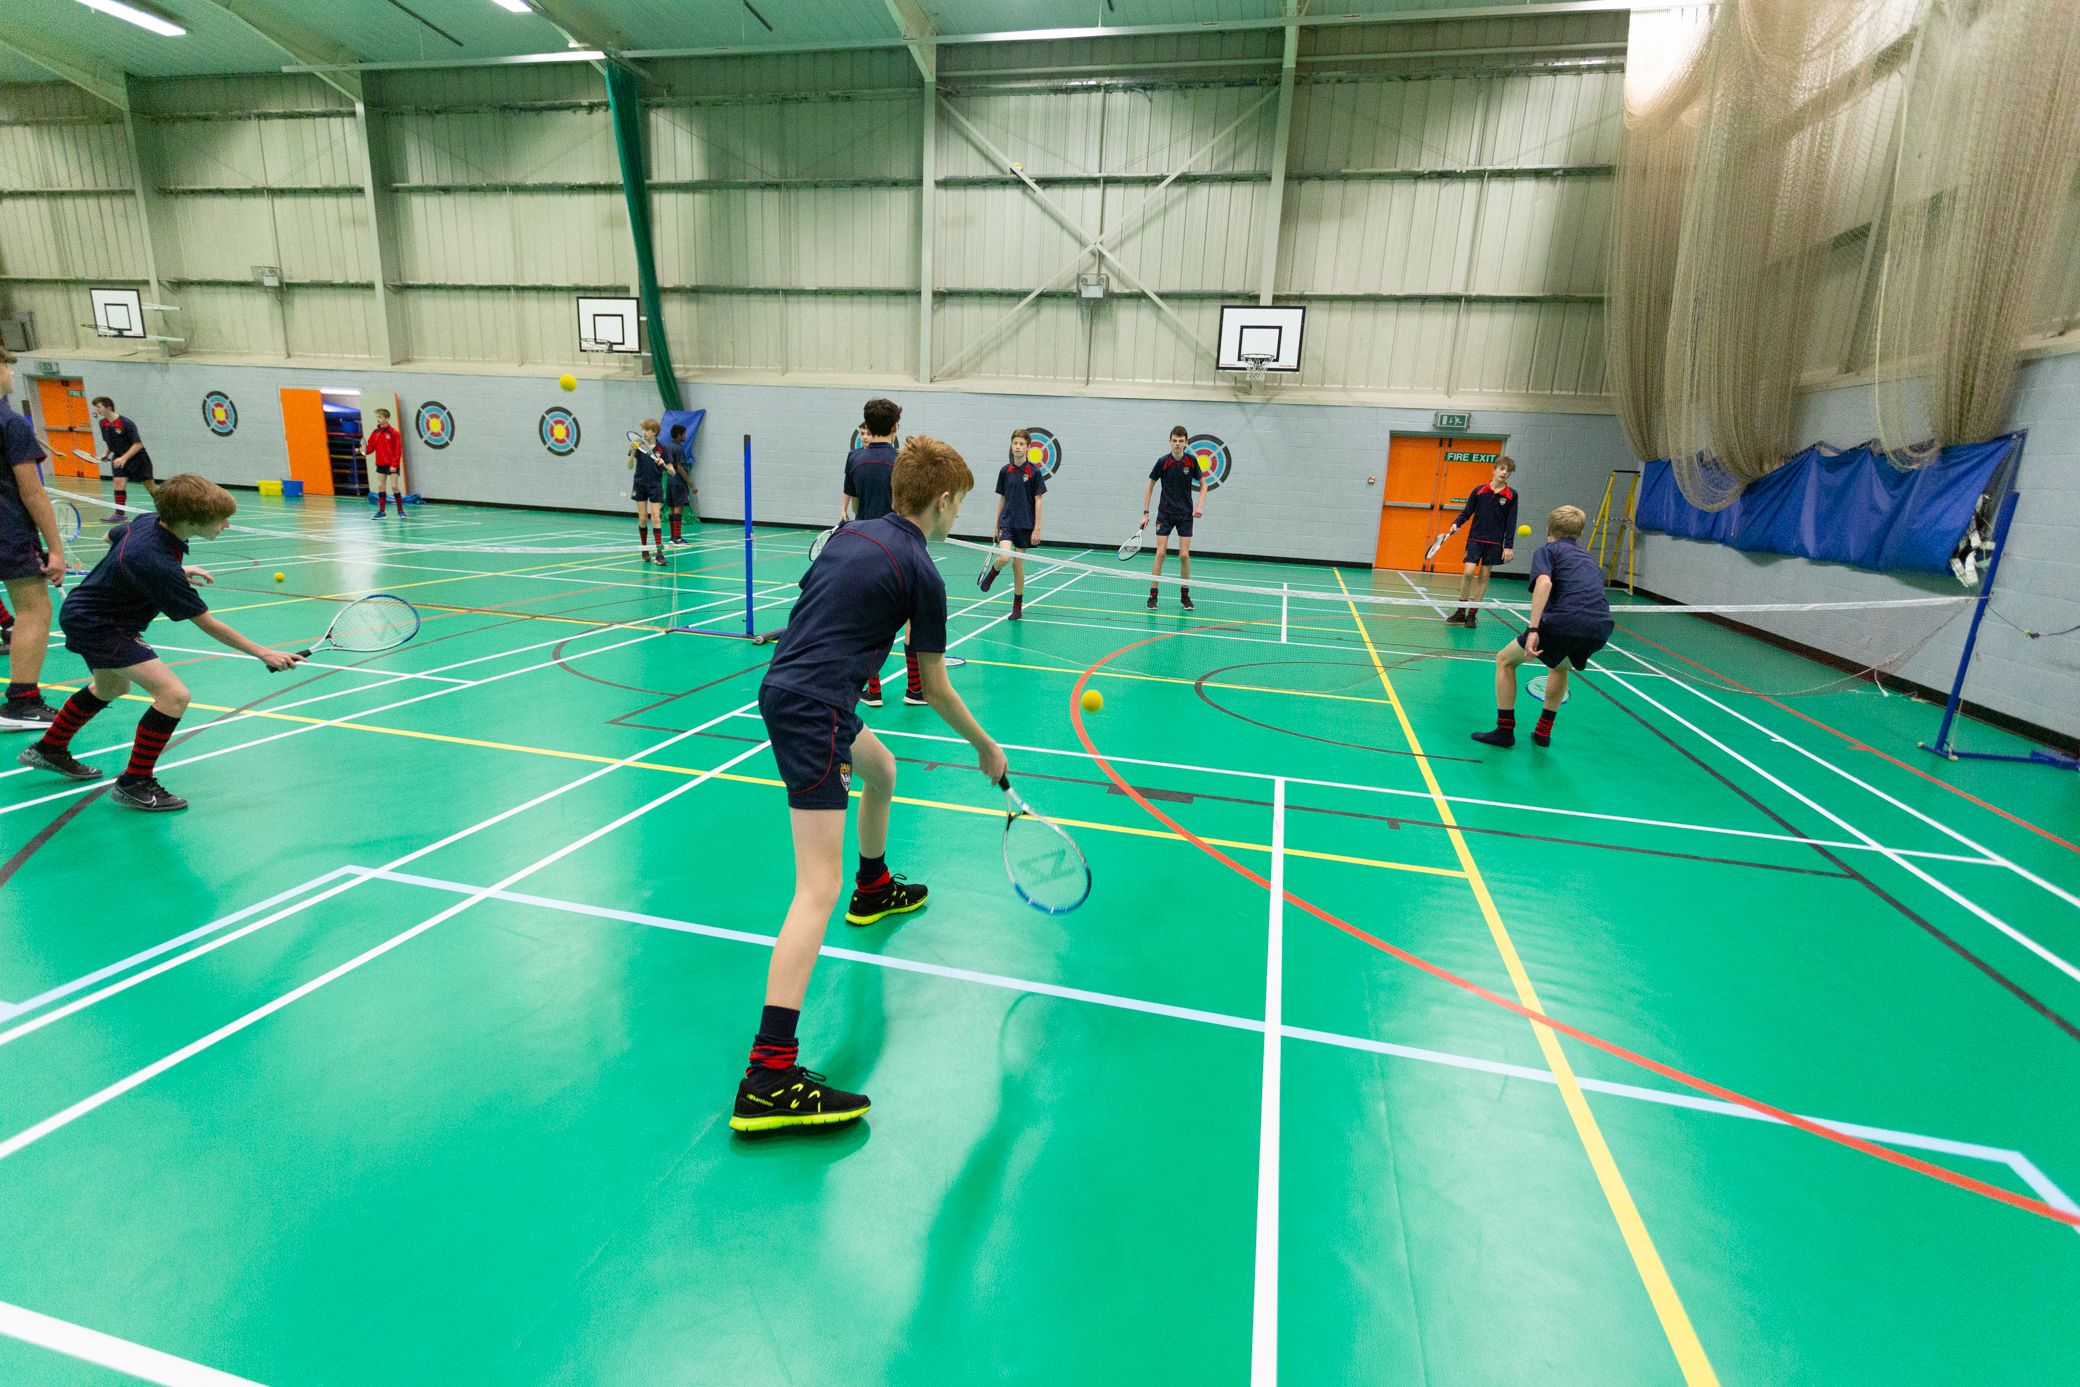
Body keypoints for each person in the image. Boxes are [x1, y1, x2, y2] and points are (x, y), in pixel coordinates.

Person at [733, 435, 1007, 1132]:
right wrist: (985, 747)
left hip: (794, 688)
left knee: (882, 766)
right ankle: (768, 1074)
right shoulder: (922, 569)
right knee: (813, 889)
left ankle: (876, 884)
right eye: (960, 504)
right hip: (816, 706)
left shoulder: (848, 534)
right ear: (942, 500)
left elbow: (815, 612)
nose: (958, 516)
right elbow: (936, 688)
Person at [17, 473, 302, 809]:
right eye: (220, 519)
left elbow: (114, 536)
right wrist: (263, 653)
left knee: (110, 688)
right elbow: (205, 621)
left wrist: (172, 569)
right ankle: (134, 780)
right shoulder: (154, 560)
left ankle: (49, 748)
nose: (226, 524)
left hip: (92, 615)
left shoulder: (152, 523)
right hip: (101, 624)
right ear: (189, 519)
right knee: (174, 695)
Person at [1471, 505, 1611, 750]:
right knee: (1559, 666)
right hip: (1599, 627)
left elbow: (1544, 583)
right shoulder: (1590, 558)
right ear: (1579, 532)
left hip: (1565, 621)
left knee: (1505, 660)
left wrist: (1534, 629)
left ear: (1549, 529)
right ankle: (1543, 733)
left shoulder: (1548, 550)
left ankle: (1504, 731)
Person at [0, 347, 65, 729]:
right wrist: (55, 549)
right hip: (8, 529)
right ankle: (22, 701)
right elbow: (32, 491)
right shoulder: (9, 423)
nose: (10, 372)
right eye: (6, 364)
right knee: (34, 608)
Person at [1441, 457, 1519, 628]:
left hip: (1495, 542)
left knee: (1484, 575)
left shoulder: (1511, 495)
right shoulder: (1478, 491)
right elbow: (1467, 512)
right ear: (1494, 470)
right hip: (1475, 539)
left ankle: (1472, 615)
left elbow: (1511, 522)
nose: (1504, 473)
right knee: (1468, 572)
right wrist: (1457, 523)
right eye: (1502, 469)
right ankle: (1461, 610)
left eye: (1508, 471)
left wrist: (1508, 546)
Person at [977, 427, 1046, 621]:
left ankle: (1017, 608)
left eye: (1021, 444)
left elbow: (1039, 500)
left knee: (1017, 564)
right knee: (1005, 558)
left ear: (1027, 448)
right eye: (1015, 443)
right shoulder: (1004, 471)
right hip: (1007, 523)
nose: (1017, 446)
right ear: (1011, 445)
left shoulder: (1034, 472)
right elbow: (1002, 499)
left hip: (1025, 525)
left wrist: (1037, 528)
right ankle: (992, 573)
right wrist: (996, 525)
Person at [1141, 425, 1207, 612]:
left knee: (1184, 555)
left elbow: (1204, 485)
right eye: (1174, 441)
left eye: (1181, 441)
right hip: (1165, 513)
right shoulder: (1162, 462)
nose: (1177, 444)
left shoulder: (1192, 461)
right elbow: (1150, 486)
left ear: (1186, 442)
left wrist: (1200, 505)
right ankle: (1153, 595)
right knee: (1160, 553)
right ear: (1170, 441)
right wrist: (1146, 513)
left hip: (1185, 515)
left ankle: (1185, 596)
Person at [92, 395, 155, 520]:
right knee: (118, 482)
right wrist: (106, 454)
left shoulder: (126, 423)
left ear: (108, 407)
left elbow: (138, 444)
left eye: (99, 407)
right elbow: (110, 442)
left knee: (150, 487)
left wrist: (124, 458)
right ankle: (120, 514)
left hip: (138, 458)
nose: (97, 410)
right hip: (118, 457)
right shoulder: (103, 423)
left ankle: (166, 512)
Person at [628, 419, 667, 567]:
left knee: (656, 517)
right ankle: (645, 550)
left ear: (655, 432)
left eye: (647, 430)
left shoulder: (662, 448)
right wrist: (632, 452)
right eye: (643, 430)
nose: (644, 432)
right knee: (643, 518)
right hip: (640, 484)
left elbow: (672, 471)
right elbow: (630, 466)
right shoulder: (638, 446)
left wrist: (663, 464)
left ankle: (659, 553)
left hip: (655, 485)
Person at [364, 407, 404, 517]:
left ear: (387, 418)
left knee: (394, 486)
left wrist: (394, 464)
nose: (378, 419)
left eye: (380, 417)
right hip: (380, 463)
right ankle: (381, 511)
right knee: (381, 486)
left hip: (392, 464)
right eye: (377, 417)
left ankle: (400, 511)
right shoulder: (375, 432)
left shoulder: (393, 433)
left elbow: (397, 450)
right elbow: (370, 447)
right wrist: (363, 450)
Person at [662, 423, 696, 545]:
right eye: (684, 434)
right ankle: (678, 538)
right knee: (678, 509)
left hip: (670, 482)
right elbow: (680, 468)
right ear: (679, 435)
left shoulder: (668, 447)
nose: (685, 436)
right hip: (678, 483)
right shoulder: (679, 448)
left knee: (672, 508)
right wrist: (691, 484)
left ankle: (672, 537)